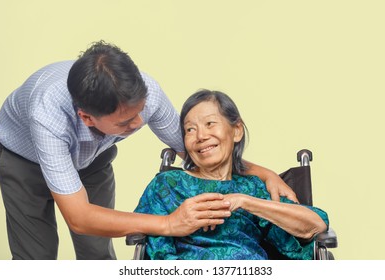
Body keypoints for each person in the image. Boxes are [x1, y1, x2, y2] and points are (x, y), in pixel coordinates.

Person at [0, 41, 297, 260]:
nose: (139, 123)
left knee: (97, 249)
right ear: (87, 118)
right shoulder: (48, 115)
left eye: (141, 112)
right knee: (36, 256)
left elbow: (199, 150)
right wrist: (168, 223)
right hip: (24, 161)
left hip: (93, 159)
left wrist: (264, 173)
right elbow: (79, 217)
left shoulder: (145, 93)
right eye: (126, 122)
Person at [135, 89, 329, 260]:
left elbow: (316, 224)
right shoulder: (167, 185)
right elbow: (159, 252)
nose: (201, 136)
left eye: (210, 123)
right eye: (190, 129)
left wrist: (246, 202)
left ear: (236, 131)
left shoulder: (252, 188)